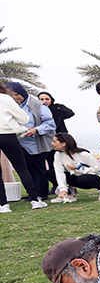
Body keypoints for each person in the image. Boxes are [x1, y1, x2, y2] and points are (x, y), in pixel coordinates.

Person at [6, 81, 56, 205]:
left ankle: (42, 194)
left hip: (35, 142)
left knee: (38, 169)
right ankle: (32, 193)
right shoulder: (10, 105)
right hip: (18, 142)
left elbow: (50, 124)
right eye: (11, 95)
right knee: (25, 169)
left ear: (22, 92)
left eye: (17, 94)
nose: (15, 98)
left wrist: (35, 129)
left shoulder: (38, 105)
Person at [0, 81, 45, 212]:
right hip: (8, 136)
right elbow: (24, 119)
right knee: (22, 168)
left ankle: (3, 205)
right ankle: (35, 200)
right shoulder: (6, 98)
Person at [50, 132, 100, 202]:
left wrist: (78, 168)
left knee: (83, 179)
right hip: (77, 177)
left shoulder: (83, 154)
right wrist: (63, 189)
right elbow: (59, 172)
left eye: (54, 141)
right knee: (50, 173)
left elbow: (98, 170)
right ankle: (69, 194)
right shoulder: (58, 155)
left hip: (96, 177)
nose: (52, 143)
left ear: (63, 144)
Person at [38, 91, 75, 194]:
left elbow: (70, 113)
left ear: (51, 99)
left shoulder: (57, 109)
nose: (44, 101)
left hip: (61, 138)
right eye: (41, 99)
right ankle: (56, 185)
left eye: (47, 99)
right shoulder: (39, 111)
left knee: (68, 160)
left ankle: (72, 185)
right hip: (48, 139)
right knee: (51, 162)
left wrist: (59, 106)